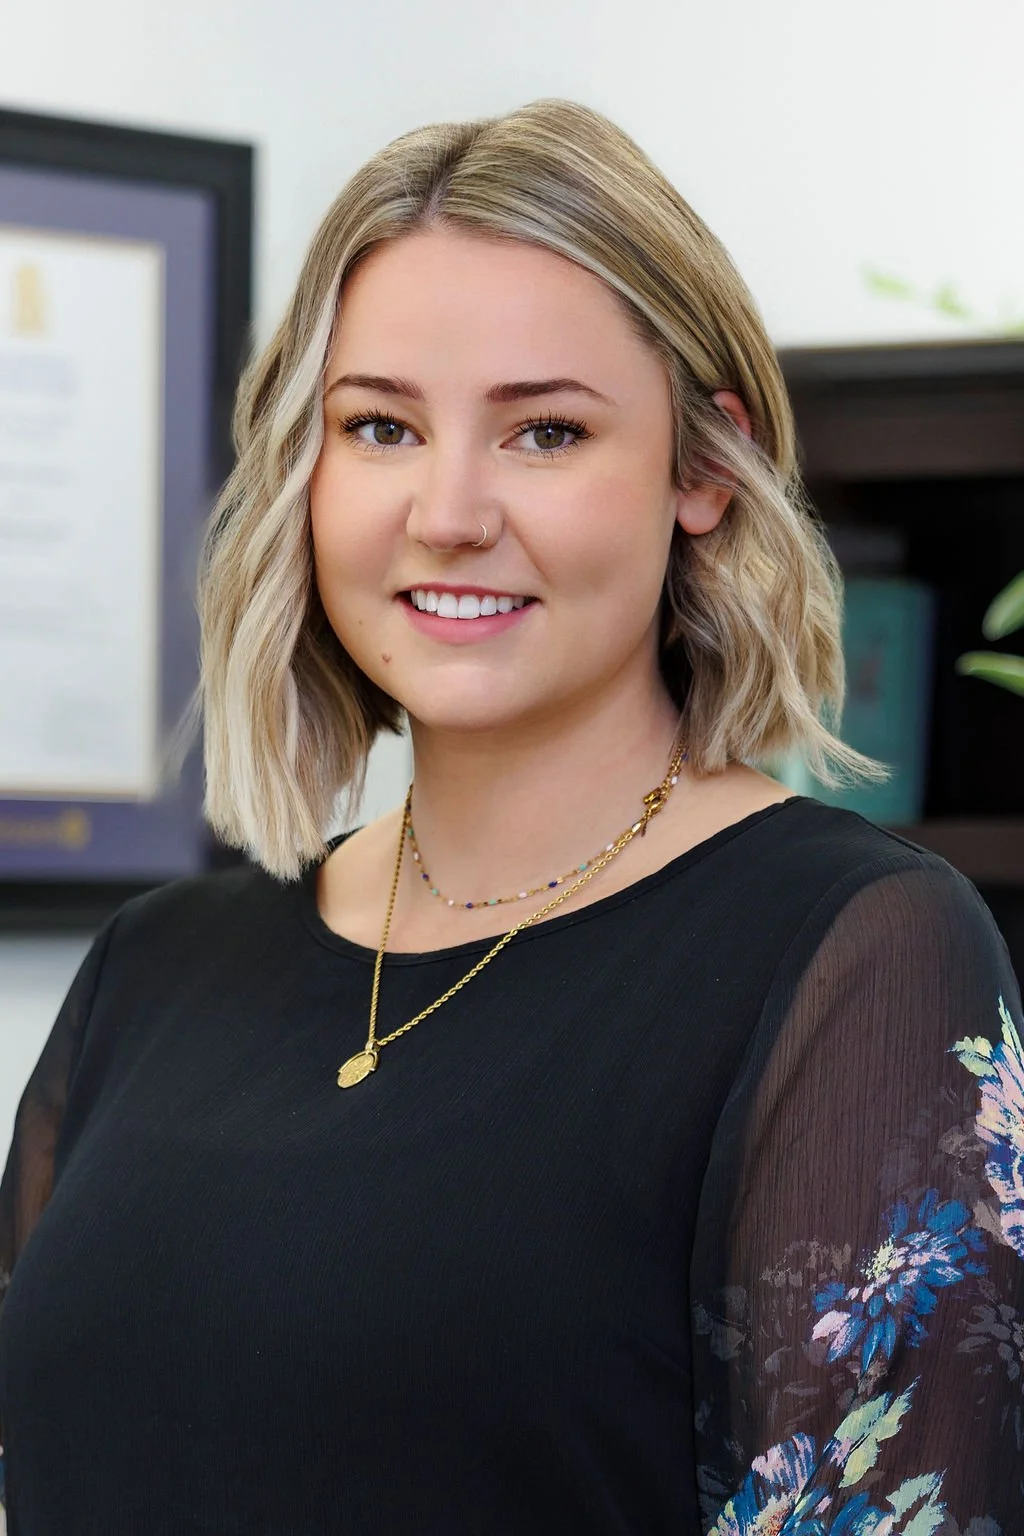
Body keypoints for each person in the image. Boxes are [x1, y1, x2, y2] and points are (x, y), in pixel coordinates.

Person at [0, 97, 1021, 1536]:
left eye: (545, 430)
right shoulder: (151, 968)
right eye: (379, 427)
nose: (449, 510)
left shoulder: (858, 959)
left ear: (703, 475)